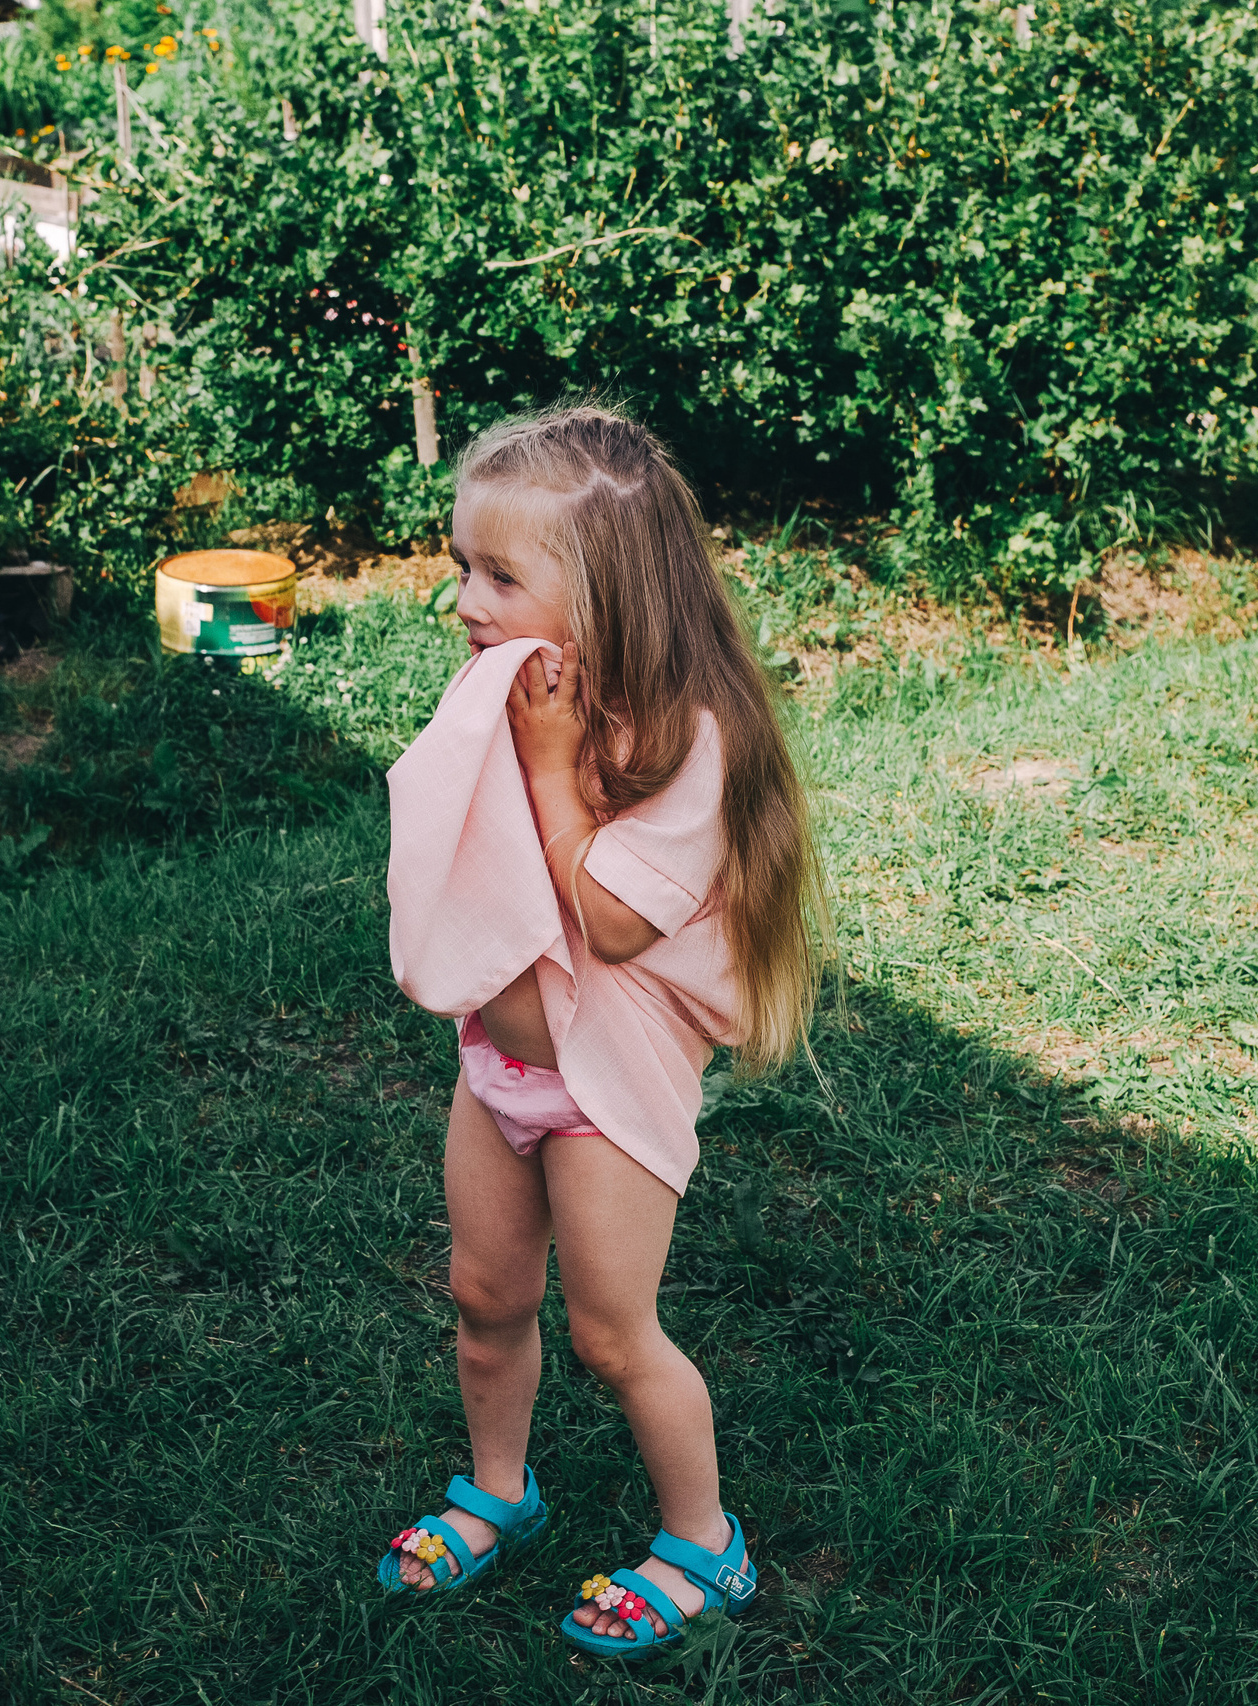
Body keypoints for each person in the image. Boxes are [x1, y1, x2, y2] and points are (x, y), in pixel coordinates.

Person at [373, 402, 826, 1657]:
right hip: (498, 1064)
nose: (465, 599)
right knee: (482, 1291)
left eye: (500, 574)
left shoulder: (686, 744)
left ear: (607, 595)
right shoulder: (518, 698)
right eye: (462, 564)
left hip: (605, 1090)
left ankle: (703, 1543)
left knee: (613, 1333)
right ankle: (499, 1489)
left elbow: (615, 923)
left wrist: (557, 765)